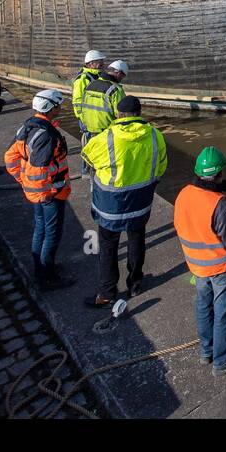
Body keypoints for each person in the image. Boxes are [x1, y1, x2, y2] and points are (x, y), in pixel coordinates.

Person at [173, 146, 226, 374]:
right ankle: (223, 362)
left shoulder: (184, 194)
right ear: (219, 174)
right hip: (220, 267)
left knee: (203, 305)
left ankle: (206, 351)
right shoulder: (220, 204)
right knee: (223, 312)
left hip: (197, 265)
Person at [81, 96, 167, 308]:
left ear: (118, 114)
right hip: (141, 201)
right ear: (139, 112)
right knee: (137, 240)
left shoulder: (106, 138)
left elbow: (88, 157)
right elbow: (161, 166)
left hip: (111, 204)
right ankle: (135, 283)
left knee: (108, 246)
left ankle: (107, 292)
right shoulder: (155, 136)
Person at [5, 89, 74, 290]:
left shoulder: (27, 127)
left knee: (40, 230)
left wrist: (22, 180)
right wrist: (45, 193)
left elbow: (10, 157)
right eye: (58, 105)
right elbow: (39, 168)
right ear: (50, 108)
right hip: (50, 194)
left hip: (37, 193)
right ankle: (47, 278)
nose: (60, 108)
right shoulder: (46, 135)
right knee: (51, 233)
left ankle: (42, 268)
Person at [76, 59, 128, 144]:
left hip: (89, 132)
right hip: (107, 135)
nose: (122, 79)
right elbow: (121, 115)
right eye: (123, 76)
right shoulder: (116, 90)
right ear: (119, 73)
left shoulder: (91, 84)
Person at [71, 49, 108, 144]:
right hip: (88, 121)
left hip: (98, 119)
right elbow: (77, 101)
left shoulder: (98, 76)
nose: (103, 64)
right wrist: (84, 119)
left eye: (102, 61)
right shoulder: (83, 79)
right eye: (100, 62)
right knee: (89, 145)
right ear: (91, 63)